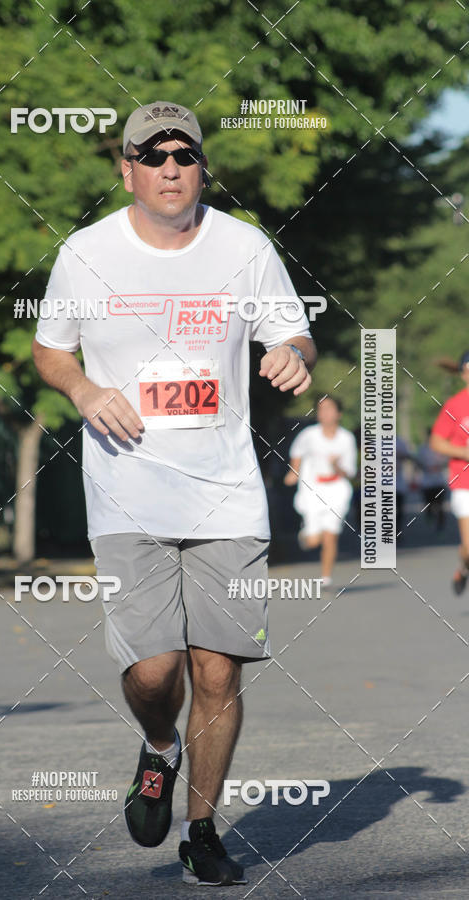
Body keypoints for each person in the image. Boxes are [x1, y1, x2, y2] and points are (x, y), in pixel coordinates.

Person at [32, 101, 316, 886]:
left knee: (218, 670)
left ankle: (201, 831)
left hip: (227, 492)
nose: (169, 168)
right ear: (126, 170)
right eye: (152, 155)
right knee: (156, 673)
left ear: (201, 169)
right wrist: (85, 391)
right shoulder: (87, 253)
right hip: (127, 490)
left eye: (183, 155)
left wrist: (294, 353)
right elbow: (51, 351)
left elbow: (292, 331)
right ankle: (159, 748)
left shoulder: (244, 246)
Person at [284, 395, 356, 588]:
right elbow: (297, 452)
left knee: (331, 535)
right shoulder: (309, 435)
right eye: (321, 409)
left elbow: (350, 472)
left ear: (338, 414)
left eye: (330, 408)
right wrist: (294, 471)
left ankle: (326, 577)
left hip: (337, 489)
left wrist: (336, 465)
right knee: (314, 541)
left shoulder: (346, 439)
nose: (325, 413)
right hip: (312, 489)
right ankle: (306, 534)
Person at [430, 350, 469, 594]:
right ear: (463, 374)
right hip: (464, 482)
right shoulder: (455, 404)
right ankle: (464, 566)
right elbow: (436, 442)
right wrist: (464, 452)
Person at [415, 428, 447, 530]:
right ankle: (430, 519)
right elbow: (418, 463)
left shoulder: (440, 447)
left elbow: (446, 461)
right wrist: (425, 468)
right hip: (427, 483)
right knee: (428, 504)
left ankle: (440, 525)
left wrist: (439, 466)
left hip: (439, 482)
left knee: (440, 505)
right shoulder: (422, 449)